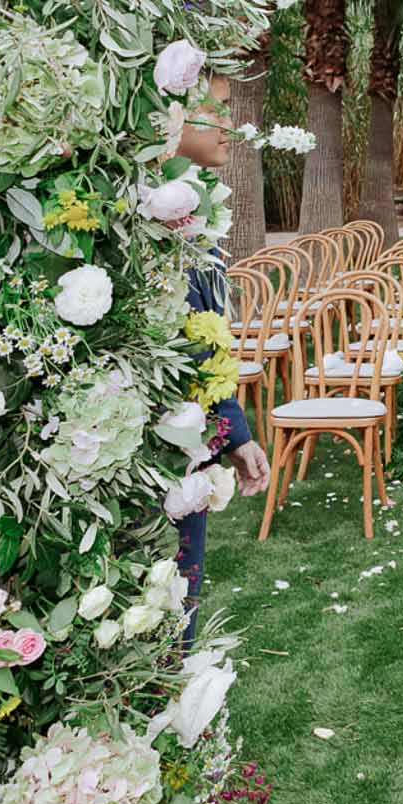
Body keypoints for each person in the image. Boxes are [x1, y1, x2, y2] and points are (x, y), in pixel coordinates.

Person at [174, 75, 271, 645]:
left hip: (192, 446)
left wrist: (234, 434)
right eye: (218, 109)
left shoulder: (195, 207)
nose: (231, 125)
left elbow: (208, 343)